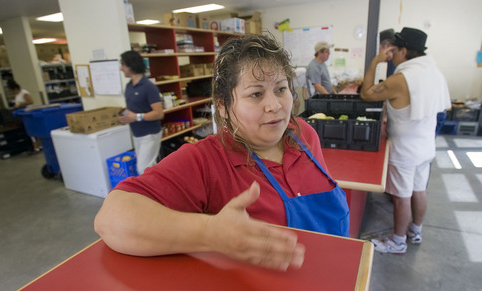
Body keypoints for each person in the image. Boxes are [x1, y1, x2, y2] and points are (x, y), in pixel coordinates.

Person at [95, 34, 350, 271]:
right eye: (256, 94)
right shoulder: (207, 160)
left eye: (281, 89)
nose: (275, 106)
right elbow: (111, 219)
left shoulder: (304, 134)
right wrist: (209, 233)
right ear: (224, 107)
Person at [360, 27, 451, 254]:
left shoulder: (402, 79)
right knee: (419, 191)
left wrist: (375, 62)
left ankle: (397, 241)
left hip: (404, 151)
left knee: (402, 198)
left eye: (395, 49)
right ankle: (415, 231)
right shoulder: (434, 72)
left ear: (404, 51)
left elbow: (366, 93)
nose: (392, 54)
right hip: (425, 147)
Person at [118, 50, 164, 175]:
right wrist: (125, 116)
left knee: (143, 169)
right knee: (150, 168)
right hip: (137, 134)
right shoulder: (129, 86)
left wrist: (136, 117)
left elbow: (159, 113)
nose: (121, 68)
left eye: (123, 64)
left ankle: (152, 194)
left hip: (149, 134)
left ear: (131, 65)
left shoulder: (149, 87)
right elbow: (132, 108)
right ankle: (159, 192)